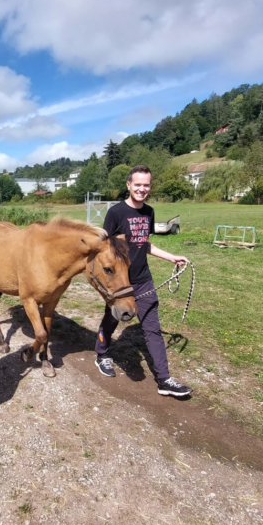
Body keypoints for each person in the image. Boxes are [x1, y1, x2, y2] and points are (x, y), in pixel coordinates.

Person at [93, 165, 193, 397]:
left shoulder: (149, 212)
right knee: (112, 319)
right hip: (122, 281)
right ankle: (102, 354)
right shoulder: (116, 212)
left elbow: (144, 243)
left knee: (152, 329)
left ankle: (164, 379)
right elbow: (104, 248)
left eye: (146, 185)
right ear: (128, 185)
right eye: (137, 184)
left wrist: (171, 257)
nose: (142, 189)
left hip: (144, 280)